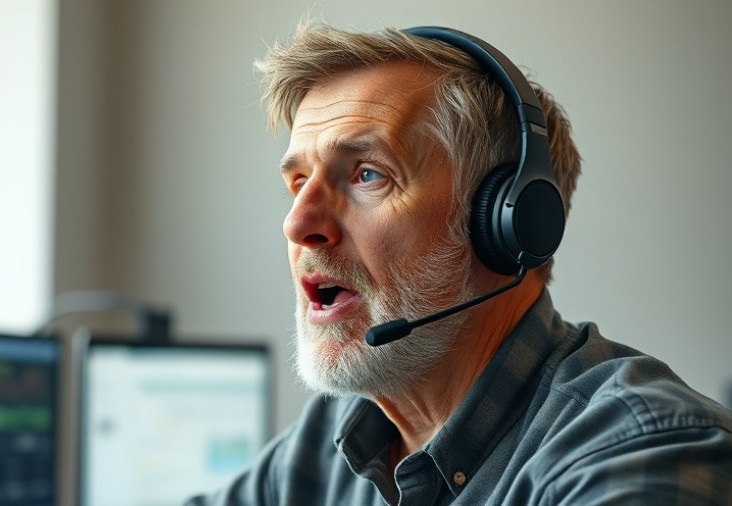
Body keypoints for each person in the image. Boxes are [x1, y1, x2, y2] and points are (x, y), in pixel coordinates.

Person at [186, 21, 732, 505]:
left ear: (505, 224)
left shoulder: (642, 451)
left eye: (368, 174)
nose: (297, 224)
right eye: (299, 182)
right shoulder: (340, 435)